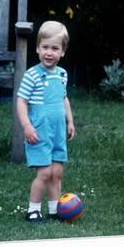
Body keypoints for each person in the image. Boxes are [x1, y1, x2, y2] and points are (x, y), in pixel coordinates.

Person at [16, 21, 75, 222]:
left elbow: (63, 98)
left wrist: (70, 121)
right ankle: (33, 209)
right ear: (37, 48)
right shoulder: (32, 75)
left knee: (57, 172)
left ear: (63, 52)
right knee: (44, 172)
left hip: (57, 132)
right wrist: (27, 126)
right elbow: (21, 101)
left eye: (55, 48)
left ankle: (54, 209)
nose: (49, 53)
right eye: (45, 47)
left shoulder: (62, 75)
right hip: (39, 132)